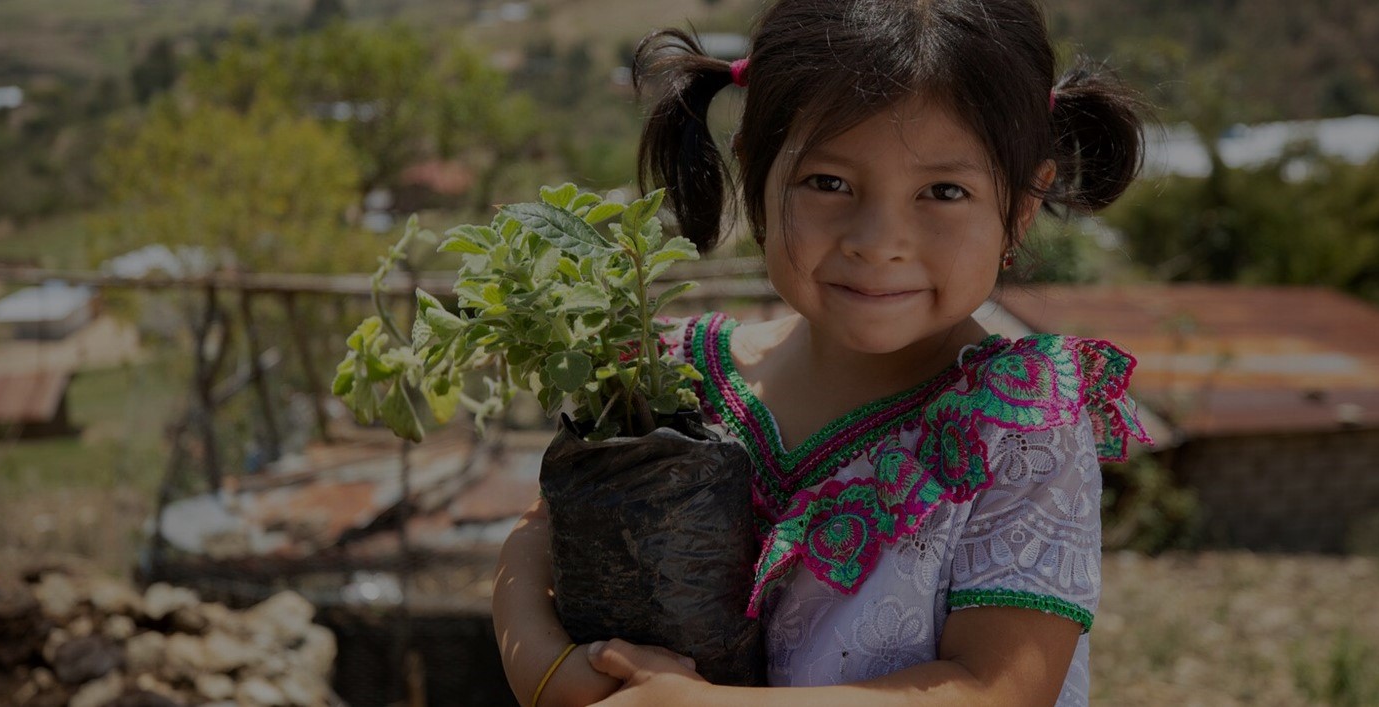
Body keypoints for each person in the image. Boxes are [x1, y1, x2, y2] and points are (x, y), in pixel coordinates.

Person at [493, 0, 1153, 704]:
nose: (879, 240)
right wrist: (551, 675)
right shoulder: (667, 375)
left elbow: (996, 687)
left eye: (944, 191)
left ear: (1021, 205)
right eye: (828, 182)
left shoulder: (1019, 426)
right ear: (757, 174)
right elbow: (537, 538)